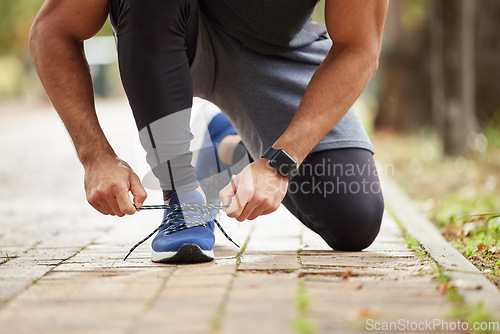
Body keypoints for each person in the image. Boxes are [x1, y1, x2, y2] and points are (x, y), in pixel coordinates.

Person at [29, 0, 389, 263]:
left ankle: (227, 145)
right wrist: (96, 157)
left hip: (277, 52)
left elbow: (359, 47)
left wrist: (281, 161)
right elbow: (54, 30)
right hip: (171, 34)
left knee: (354, 220)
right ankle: (182, 198)